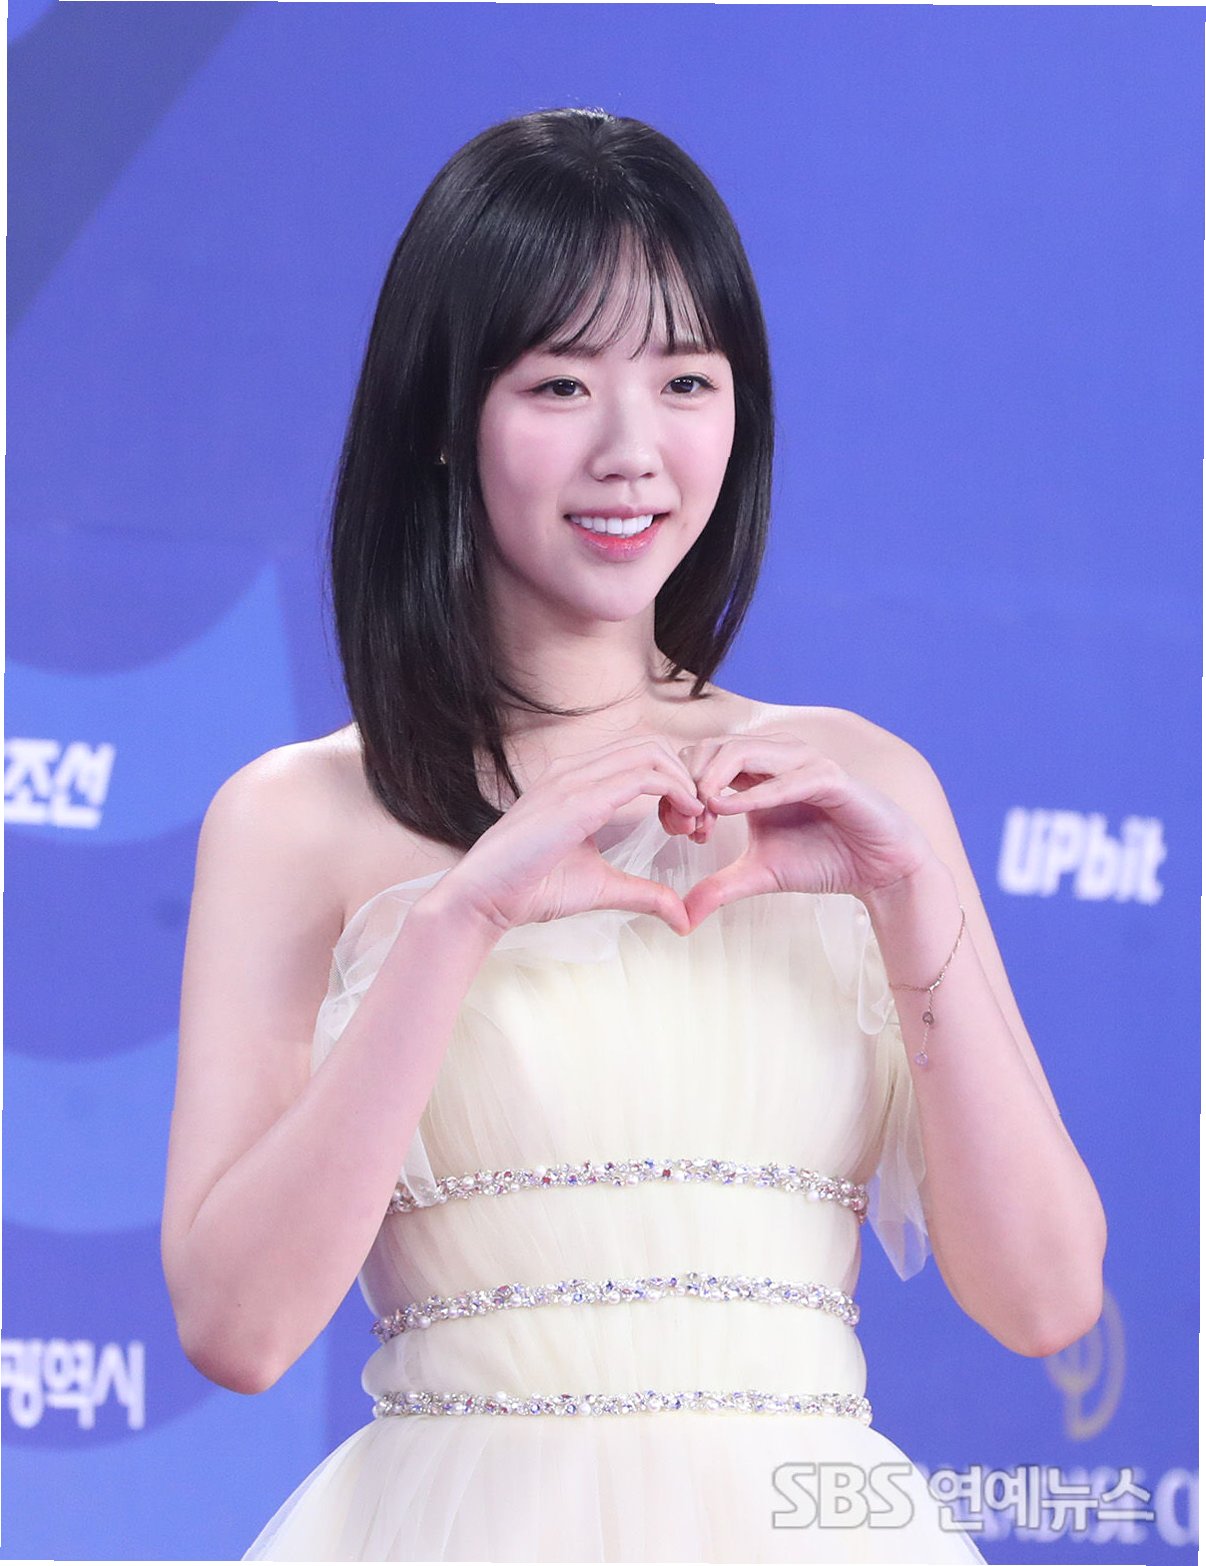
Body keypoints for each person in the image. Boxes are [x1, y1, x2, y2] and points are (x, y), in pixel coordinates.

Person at [161, 107, 1107, 1563]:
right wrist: (459, 922)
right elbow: (238, 1327)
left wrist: (915, 909)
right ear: (443, 413)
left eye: (684, 381)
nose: (632, 450)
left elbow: (1044, 1298)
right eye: (558, 382)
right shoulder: (299, 818)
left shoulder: (854, 786)